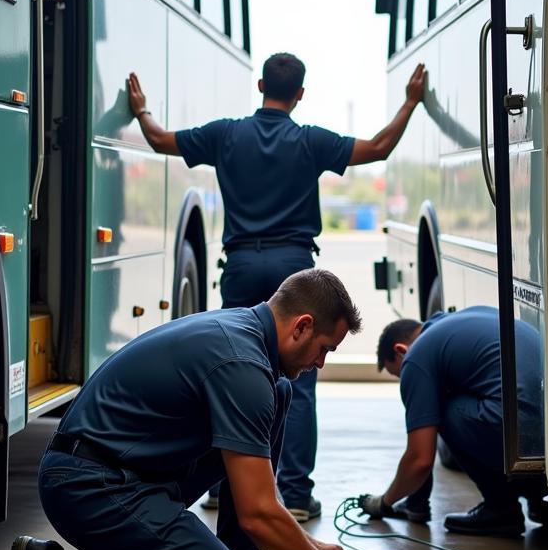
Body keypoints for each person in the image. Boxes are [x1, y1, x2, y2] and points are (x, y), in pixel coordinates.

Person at [10, 269, 391, 550]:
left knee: (279, 394)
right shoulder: (242, 366)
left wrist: (308, 546)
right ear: (302, 326)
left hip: (122, 474)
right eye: (325, 348)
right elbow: (258, 514)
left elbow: (257, 495)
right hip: (90, 487)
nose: (322, 363)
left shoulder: (242, 334)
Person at [125, 54, 427, 523]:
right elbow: (380, 147)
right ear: (300, 94)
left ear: (261, 84)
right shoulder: (310, 141)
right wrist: (409, 103)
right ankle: (297, 495)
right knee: (299, 381)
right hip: (294, 270)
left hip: (242, 265)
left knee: (231, 371)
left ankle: (225, 489)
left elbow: (160, 140)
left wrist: (141, 109)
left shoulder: (225, 134)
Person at [359, 307, 548, 537]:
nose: (406, 380)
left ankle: (500, 509)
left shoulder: (415, 356)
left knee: (445, 410)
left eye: (399, 374)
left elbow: (420, 459)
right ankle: (534, 495)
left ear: (401, 351)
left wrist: (383, 502)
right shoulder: (459, 321)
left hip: (523, 429)